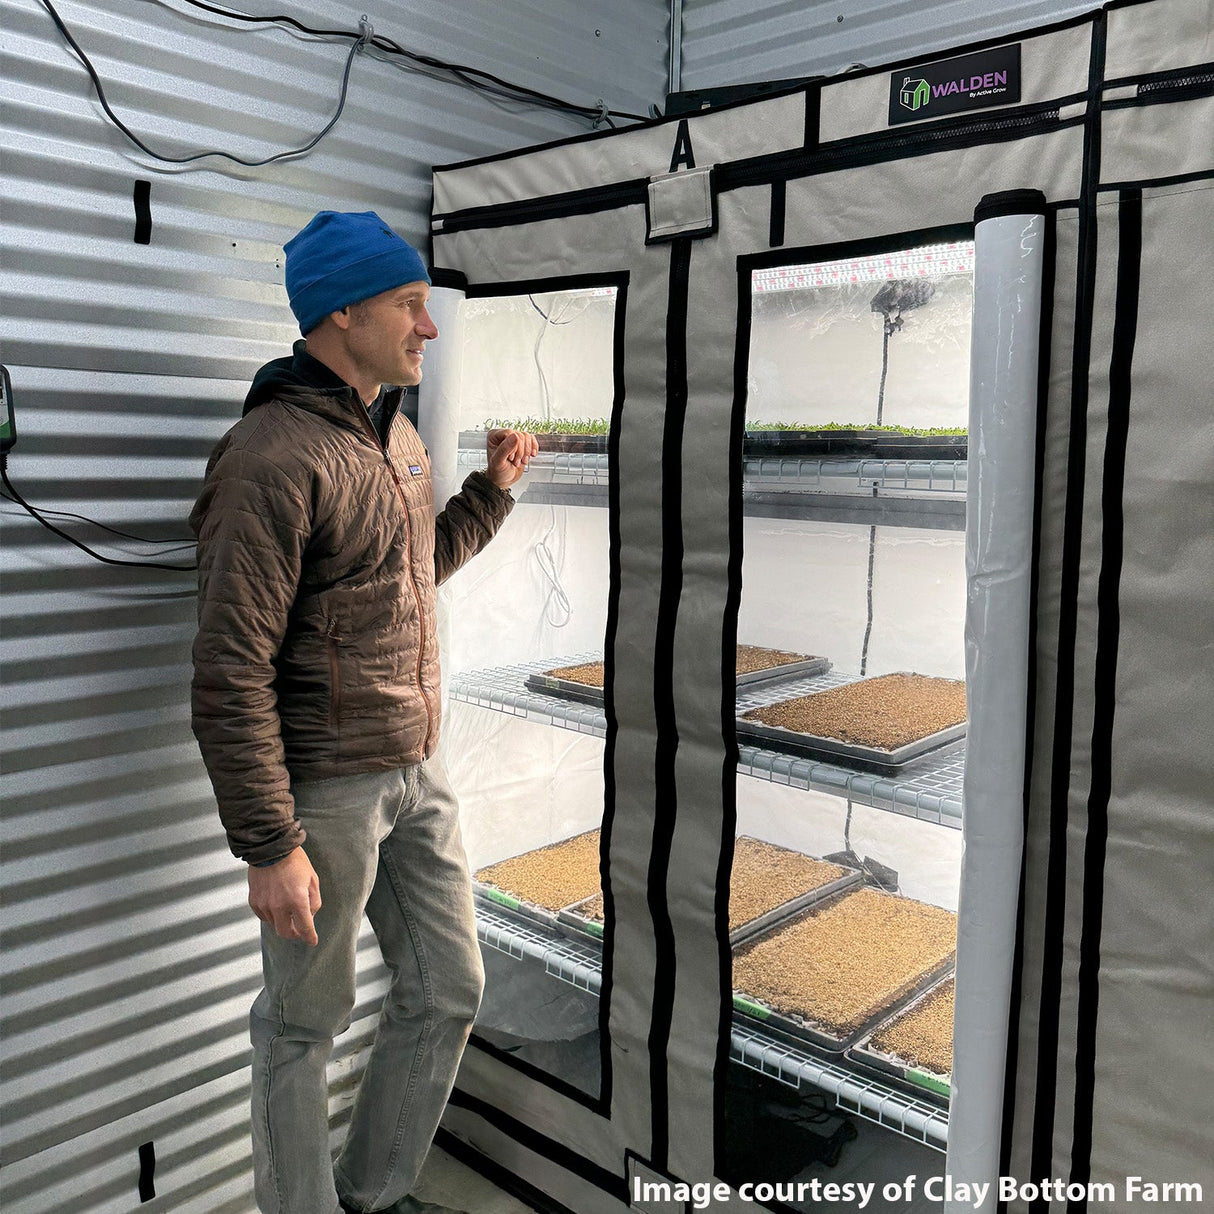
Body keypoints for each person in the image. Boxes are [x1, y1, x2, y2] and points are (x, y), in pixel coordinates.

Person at [190, 210, 538, 1214]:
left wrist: (491, 493)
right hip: (328, 790)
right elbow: (229, 665)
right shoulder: (271, 456)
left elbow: (407, 574)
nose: (426, 327)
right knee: (303, 1022)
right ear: (341, 310)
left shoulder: (394, 434)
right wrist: (268, 841)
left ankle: (371, 1194)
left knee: (447, 987)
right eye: (408, 304)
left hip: (417, 769)